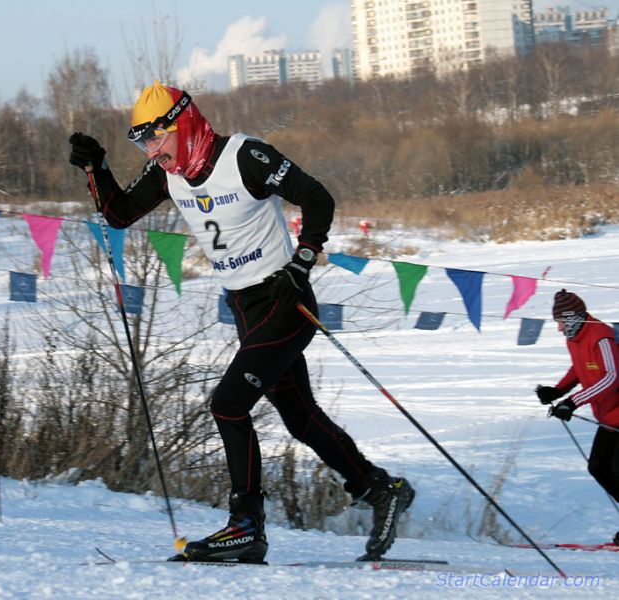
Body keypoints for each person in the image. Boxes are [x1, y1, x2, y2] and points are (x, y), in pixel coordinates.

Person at [68, 81, 414, 563]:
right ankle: (381, 490)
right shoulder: (168, 174)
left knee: (228, 404)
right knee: (301, 418)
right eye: (142, 142)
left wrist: (303, 260)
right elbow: (119, 214)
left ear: (183, 124)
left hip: (284, 300)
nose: (151, 150)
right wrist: (97, 167)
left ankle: (246, 526)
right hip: (245, 309)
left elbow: (317, 199)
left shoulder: (244, 157)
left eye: (156, 137)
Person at [536, 289, 619, 545]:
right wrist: (559, 390)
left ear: (572, 317)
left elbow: (612, 377)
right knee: (598, 468)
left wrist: (573, 402)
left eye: (561, 321)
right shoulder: (575, 339)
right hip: (610, 417)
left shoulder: (601, 337)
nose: (559, 328)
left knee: (617, 471)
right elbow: (580, 367)